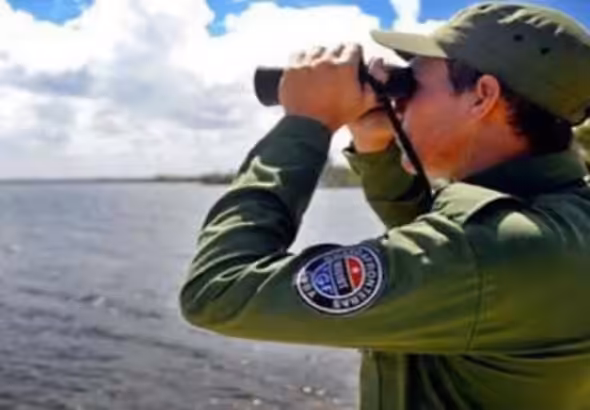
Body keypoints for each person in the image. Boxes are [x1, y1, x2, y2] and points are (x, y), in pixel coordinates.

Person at [180, 2, 590, 409]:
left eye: (412, 84)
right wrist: (377, 146)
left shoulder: (491, 252)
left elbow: (220, 291)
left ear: (481, 97)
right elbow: (444, 244)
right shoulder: (561, 215)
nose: (398, 100)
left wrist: (306, 124)